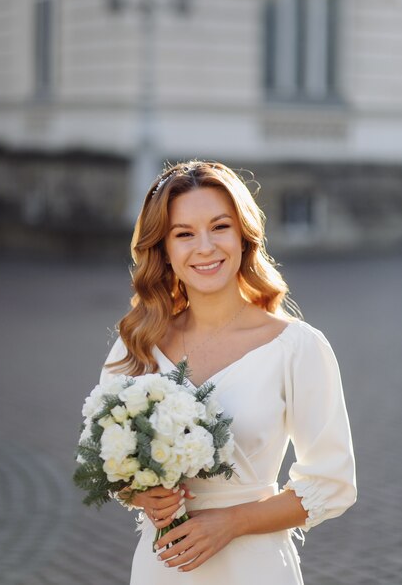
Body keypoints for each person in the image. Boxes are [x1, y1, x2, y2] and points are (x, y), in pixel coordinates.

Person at [99, 160, 356, 585]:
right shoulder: (137, 343)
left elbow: (333, 483)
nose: (205, 247)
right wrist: (141, 492)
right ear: (162, 248)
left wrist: (232, 522)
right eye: (184, 233)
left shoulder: (297, 347)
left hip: (255, 566)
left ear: (243, 236)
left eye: (220, 227)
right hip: (164, 565)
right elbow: (107, 460)